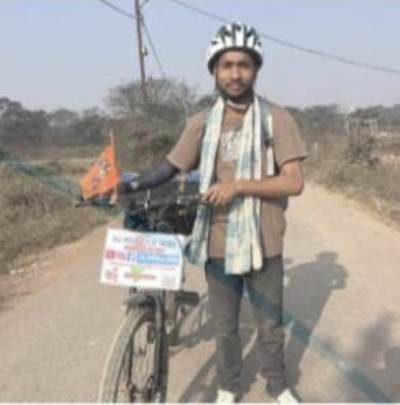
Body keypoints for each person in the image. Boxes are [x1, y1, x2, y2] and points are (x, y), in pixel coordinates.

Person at [117, 22, 307, 403]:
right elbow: (170, 167)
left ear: (256, 70)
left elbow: (294, 181)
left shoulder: (276, 119)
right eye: (227, 65)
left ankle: (277, 384)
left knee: (269, 325)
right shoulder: (201, 123)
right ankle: (229, 385)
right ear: (214, 71)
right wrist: (130, 186)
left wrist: (238, 186)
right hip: (217, 242)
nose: (235, 74)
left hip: (265, 242)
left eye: (244, 65)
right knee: (224, 326)